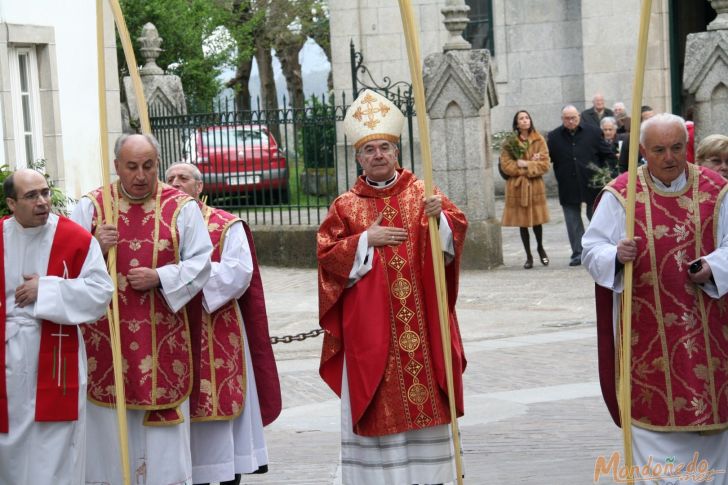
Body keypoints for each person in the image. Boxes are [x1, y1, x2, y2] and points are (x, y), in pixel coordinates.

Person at [317, 89, 468, 485]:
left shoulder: (423, 193)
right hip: (371, 332)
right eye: (369, 150)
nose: (378, 155)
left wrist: (442, 223)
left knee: (427, 403)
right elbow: (326, 256)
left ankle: (431, 477)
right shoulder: (345, 206)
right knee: (377, 398)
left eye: (384, 147)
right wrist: (365, 239)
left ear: (397, 151)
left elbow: (452, 245)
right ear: (358, 157)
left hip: (421, 325)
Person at [583, 113, 728, 483]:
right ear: (643, 150)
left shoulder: (717, 190)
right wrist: (617, 255)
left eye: (677, 148)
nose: (669, 157)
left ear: (687, 146)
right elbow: (591, 249)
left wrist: (712, 268)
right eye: (659, 150)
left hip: (709, 331)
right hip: (647, 337)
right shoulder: (621, 195)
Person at [70, 134, 213, 485]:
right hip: (107, 341)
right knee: (108, 437)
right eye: (131, 167)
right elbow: (66, 269)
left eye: (148, 166)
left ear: (157, 164)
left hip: (162, 339)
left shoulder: (181, 207)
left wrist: (161, 276)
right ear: (116, 165)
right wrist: (94, 247)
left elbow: (202, 263)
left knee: (162, 447)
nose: (140, 175)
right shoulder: (92, 208)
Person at [165, 162, 281, 485]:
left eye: (183, 178)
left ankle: (229, 474)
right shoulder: (160, 227)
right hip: (174, 331)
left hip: (216, 326)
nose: (175, 183)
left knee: (220, 425)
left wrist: (184, 278)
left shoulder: (226, 225)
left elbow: (238, 272)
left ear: (199, 186)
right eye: (170, 178)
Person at [0, 169, 113, 484]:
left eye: (45, 193)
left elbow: (100, 294)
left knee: (55, 445)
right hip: (7, 360)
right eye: (31, 196)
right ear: (11, 203)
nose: (42, 202)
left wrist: (46, 290)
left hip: (55, 357)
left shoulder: (74, 238)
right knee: (9, 448)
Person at [547, 105, 617, 266]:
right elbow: (547, 159)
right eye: (567, 118)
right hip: (568, 184)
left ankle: (600, 249)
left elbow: (608, 155)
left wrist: (607, 174)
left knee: (596, 218)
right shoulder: (554, 137)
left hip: (592, 183)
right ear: (562, 119)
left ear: (579, 116)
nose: (571, 121)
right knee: (573, 221)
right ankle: (578, 253)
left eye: (574, 118)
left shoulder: (592, 132)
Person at [500, 110, 551, 269]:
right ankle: (528, 256)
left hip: (535, 186)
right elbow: (506, 165)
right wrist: (526, 167)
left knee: (537, 222)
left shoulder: (539, 139)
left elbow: (545, 164)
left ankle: (540, 248)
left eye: (527, 117)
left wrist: (526, 164)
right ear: (516, 123)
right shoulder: (509, 143)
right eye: (521, 118)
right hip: (518, 188)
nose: (525, 120)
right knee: (522, 223)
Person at [618, 105, 655, 173]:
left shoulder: (660, 136)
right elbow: (623, 165)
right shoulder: (630, 139)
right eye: (647, 119)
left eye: (653, 118)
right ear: (640, 122)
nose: (652, 122)